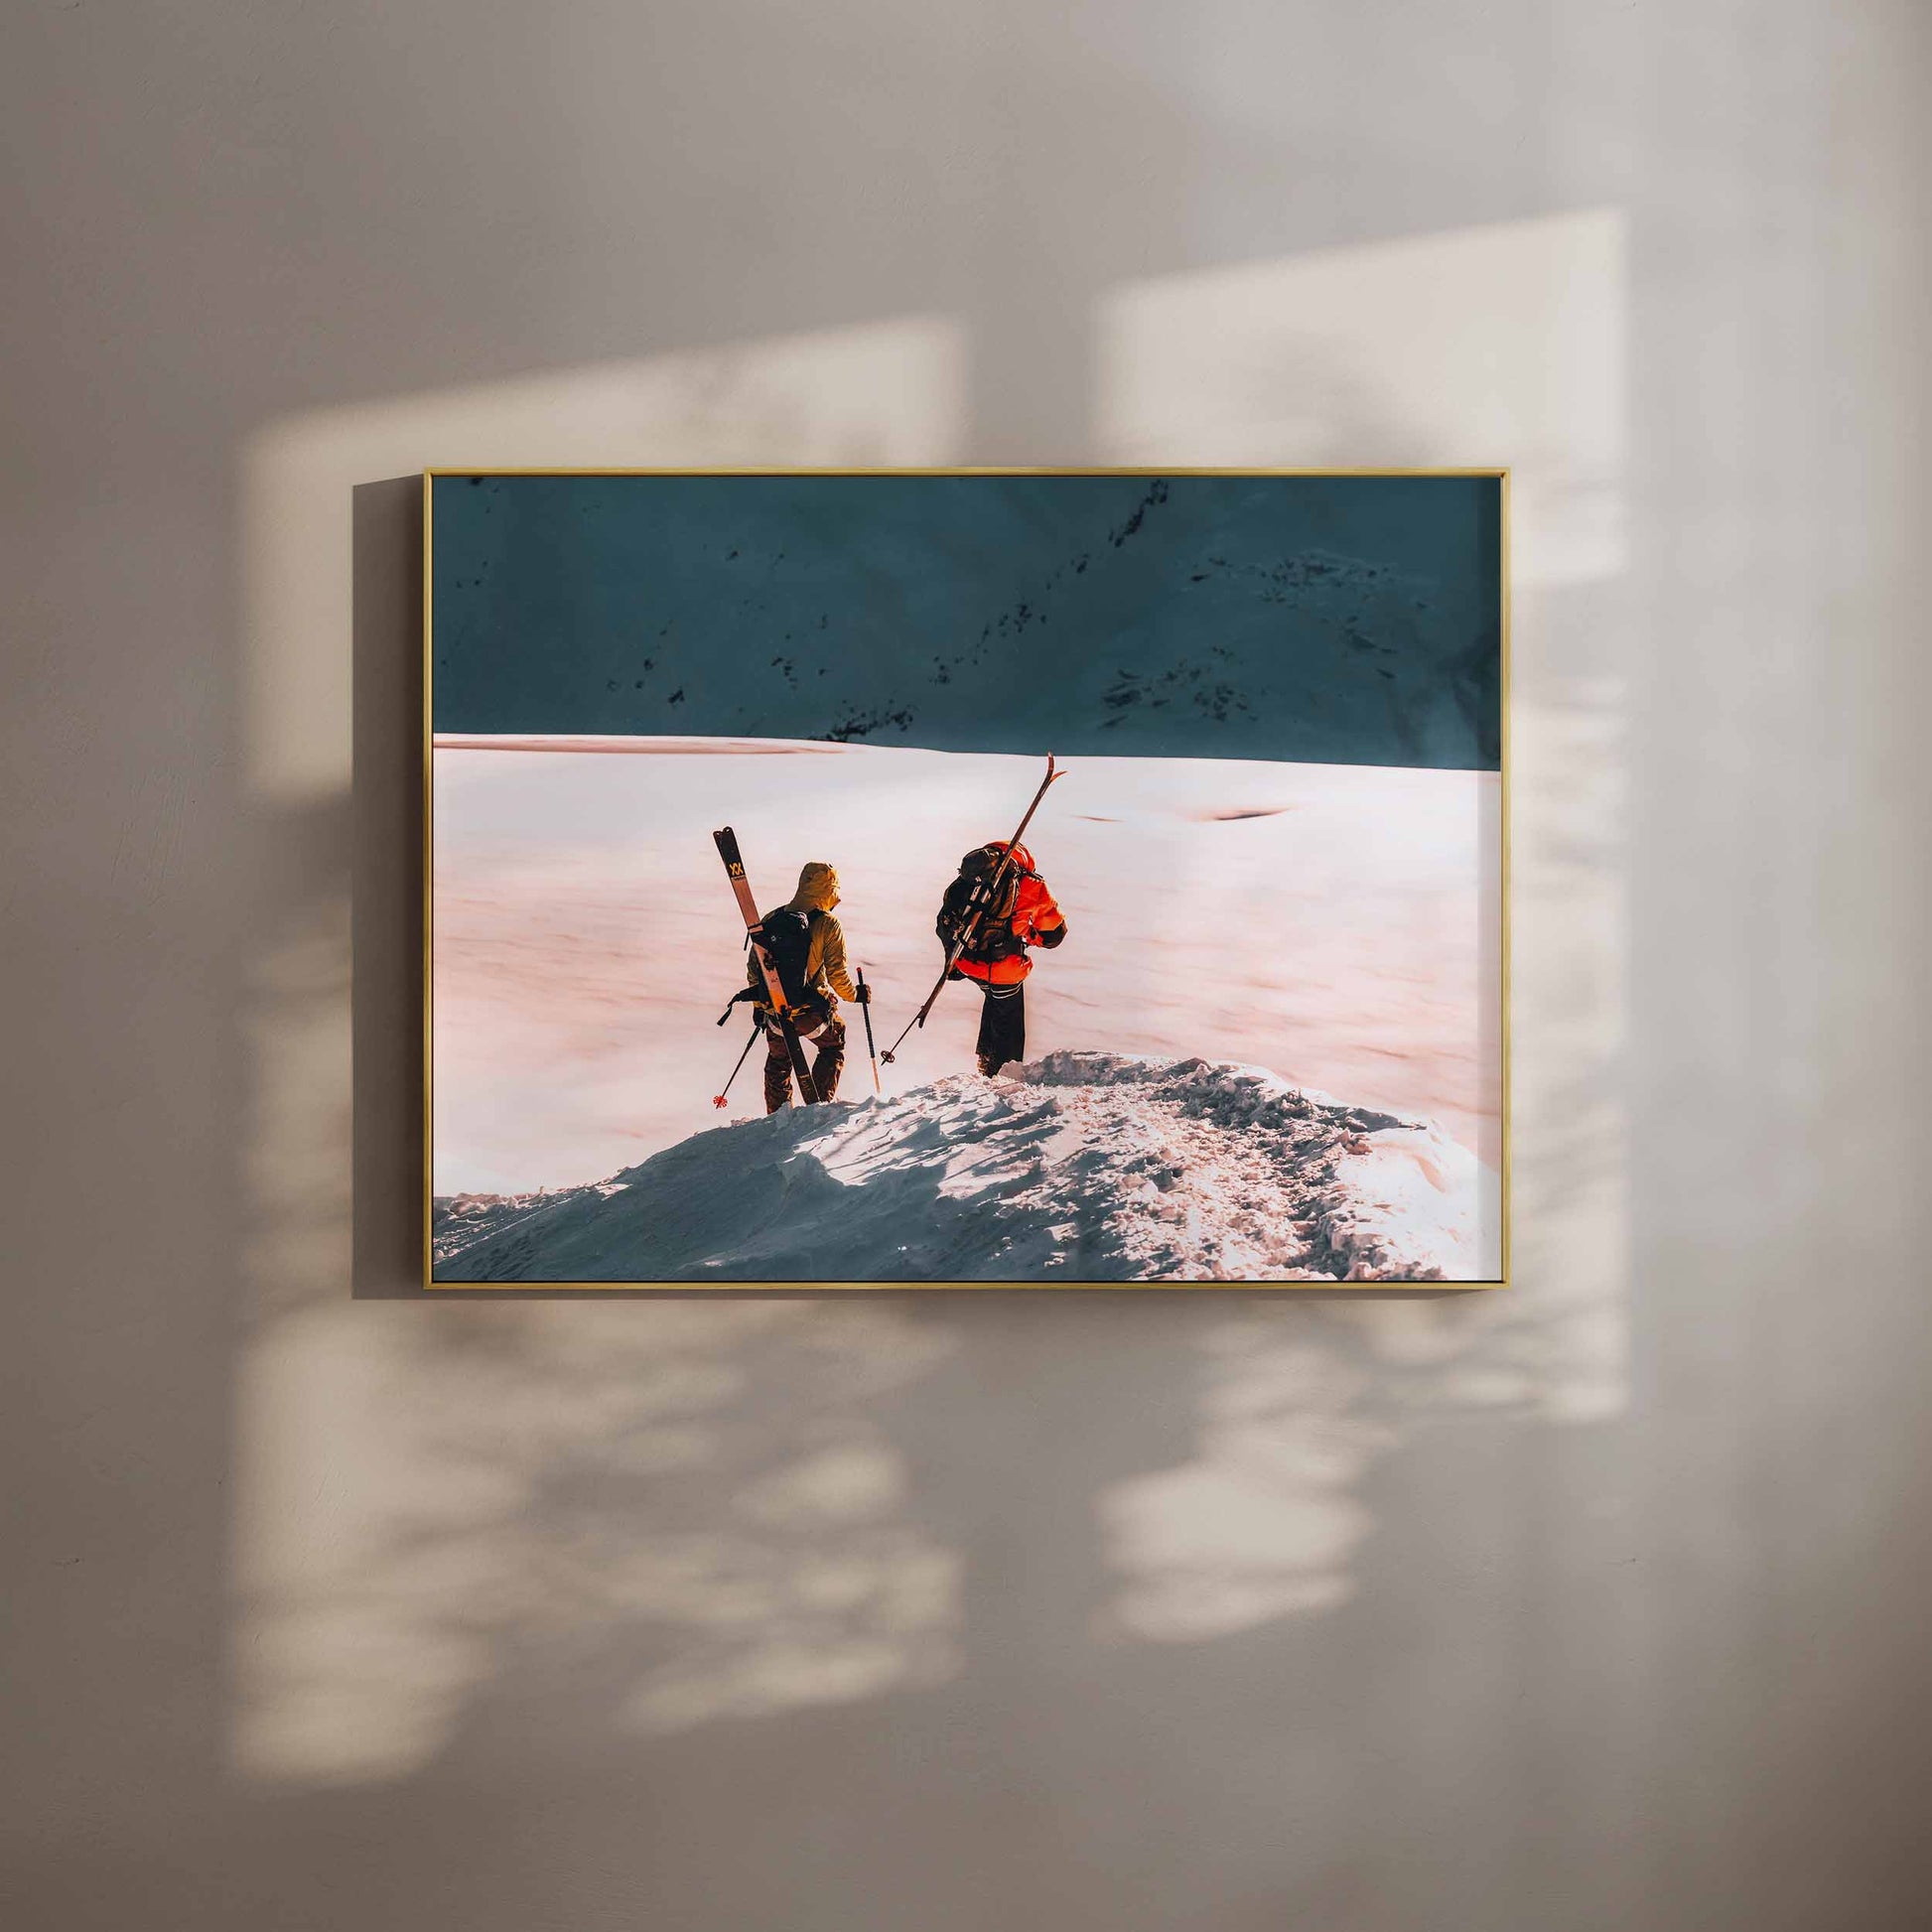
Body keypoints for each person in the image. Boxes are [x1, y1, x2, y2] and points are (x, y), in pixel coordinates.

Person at [936, 841, 1067, 1075]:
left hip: (967, 961)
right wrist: (1028, 935)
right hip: (1003, 969)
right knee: (1008, 1017)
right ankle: (1001, 1074)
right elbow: (1054, 935)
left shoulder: (969, 881)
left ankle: (985, 1060)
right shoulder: (1031, 884)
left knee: (995, 1000)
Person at [748, 860, 868, 1111]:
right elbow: (837, 975)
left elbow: (754, 968)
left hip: (776, 1013)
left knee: (779, 1060)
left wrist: (760, 1004)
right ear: (829, 890)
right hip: (810, 1013)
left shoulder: (773, 918)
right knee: (833, 1044)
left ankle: (777, 1115)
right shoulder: (828, 923)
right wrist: (855, 995)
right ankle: (819, 1107)